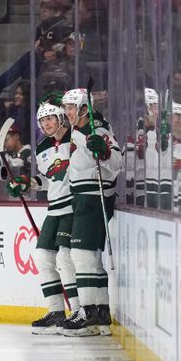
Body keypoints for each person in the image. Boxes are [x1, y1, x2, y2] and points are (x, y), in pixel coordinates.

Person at [7, 101, 80, 334]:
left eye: (50, 118)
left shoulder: (75, 139)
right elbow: (47, 179)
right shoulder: (42, 148)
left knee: (65, 260)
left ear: (60, 118)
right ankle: (56, 311)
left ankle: (78, 311)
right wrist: (27, 184)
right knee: (42, 258)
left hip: (71, 207)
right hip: (54, 209)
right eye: (42, 120)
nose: (46, 123)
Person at [59, 88, 122, 337]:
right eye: (66, 107)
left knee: (82, 256)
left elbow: (115, 163)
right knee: (89, 258)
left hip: (94, 198)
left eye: (71, 107)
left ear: (85, 108)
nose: (67, 112)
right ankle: (99, 313)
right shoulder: (78, 130)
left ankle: (89, 312)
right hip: (83, 198)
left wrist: (103, 151)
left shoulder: (98, 130)